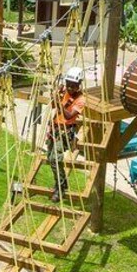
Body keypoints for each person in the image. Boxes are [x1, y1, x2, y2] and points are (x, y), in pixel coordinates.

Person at [46, 67, 85, 202]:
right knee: (49, 157)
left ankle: (60, 187)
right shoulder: (64, 92)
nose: (70, 88)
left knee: (55, 159)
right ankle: (61, 182)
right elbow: (53, 106)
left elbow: (68, 116)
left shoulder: (80, 100)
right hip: (55, 128)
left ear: (79, 84)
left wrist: (59, 102)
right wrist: (55, 97)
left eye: (73, 86)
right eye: (68, 85)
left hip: (65, 132)